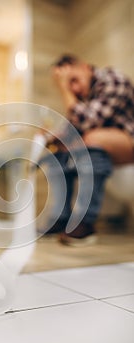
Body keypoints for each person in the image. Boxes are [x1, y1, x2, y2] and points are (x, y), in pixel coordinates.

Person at [40, 54, 134, 246]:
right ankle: (62, 217)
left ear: (84, 67)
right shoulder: (85, 96)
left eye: (73, 80)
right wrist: (52, 138)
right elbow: (71, 131)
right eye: (68, 85)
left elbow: (87, 122)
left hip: (129, 139)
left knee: (91, 139)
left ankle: (85, 221)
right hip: (111, 147)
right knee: (58, 152)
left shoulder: (112, 80)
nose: (73, 89)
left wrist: (65, 90)